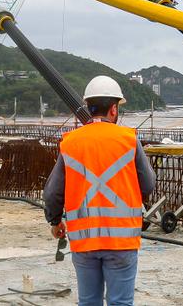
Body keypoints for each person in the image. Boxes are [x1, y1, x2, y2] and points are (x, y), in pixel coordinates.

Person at [43, 76, 155, 306]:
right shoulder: (128, 140)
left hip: (84, 241)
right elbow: (148, 184)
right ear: (114, 109)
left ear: (88, 106)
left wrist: (55, 222)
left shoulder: (71, 142)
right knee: (120, 303)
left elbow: (52, 192)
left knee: (89, 302)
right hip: (122, 241)